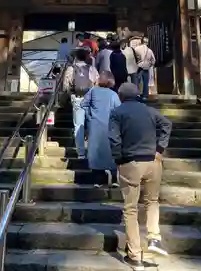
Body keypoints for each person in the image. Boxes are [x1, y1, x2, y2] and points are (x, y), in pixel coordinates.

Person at [109, 83, 172, 271]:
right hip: (153, 161)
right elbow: (167, 124)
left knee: (130, 209)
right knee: (152, 201)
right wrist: (160, 149)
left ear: (120, 96)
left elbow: (114, 138)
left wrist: (118, 159)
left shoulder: (117, 113)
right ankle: (154, 237)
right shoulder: (150, 111)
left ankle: (135, 257)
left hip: (130, 162)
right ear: (137, 95)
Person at [80, 71, 121, 188]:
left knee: (95, 152)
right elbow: (118, 109)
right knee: (110, 151)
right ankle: (113, 179)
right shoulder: (113, 94)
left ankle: (97, 180)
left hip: (95, 125)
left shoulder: (93, 91)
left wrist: (89, 116)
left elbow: (83, 104)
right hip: (109, 126)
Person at [63, 47, 99, 159]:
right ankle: (93, 150)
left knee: (79, 126)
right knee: (92, 124)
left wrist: (70, 95)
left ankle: (81, 153)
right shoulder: (92, 69)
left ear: (76, 57)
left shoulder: (71, 69)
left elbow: (66, 86)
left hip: (77, 98)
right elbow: (96, 84)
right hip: (91, 99)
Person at [134, 37, 156, 101]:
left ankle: (137, 95)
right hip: (146, 68)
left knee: (137, 81)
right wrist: (149, 65)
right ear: (147, 42)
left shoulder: (136, 49)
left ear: (141, 41)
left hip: (139, 67)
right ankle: (145, 96)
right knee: (145, 82)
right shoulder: (149, 50)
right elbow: (154, 60)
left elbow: (134, 58)